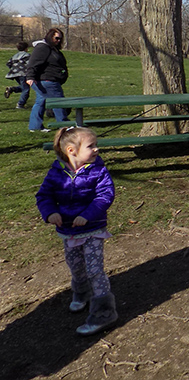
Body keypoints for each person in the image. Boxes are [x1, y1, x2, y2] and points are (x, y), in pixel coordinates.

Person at [35, 126, 118, 336]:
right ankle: (81, 292)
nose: (97, 149)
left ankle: (104, 312)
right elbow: (43, 196)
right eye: (91, 146)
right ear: (72, 150)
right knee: (75, 264)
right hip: (68, 230)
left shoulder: (97, 170)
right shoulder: (56, 173)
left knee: (94, 269)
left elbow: (105, 195)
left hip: (93, 229)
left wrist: (88, 215)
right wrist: (50, 213)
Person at [26, 28, 69, 132]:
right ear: (50, 36)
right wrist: (30, 77)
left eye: (60, 39)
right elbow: (33, 63)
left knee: (40, 102)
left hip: (47, 80)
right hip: (47, 80)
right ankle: (64, 125)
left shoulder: (52, 49)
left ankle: (35, 126)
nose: (58, 41)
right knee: (59, 102)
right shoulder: (42, 48)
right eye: (56, 38)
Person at [5, 41, 30, 108]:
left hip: (14, 74)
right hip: (23, 73)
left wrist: (14, 68)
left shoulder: (15, 56)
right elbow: (30, 64)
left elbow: (8, 63)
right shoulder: (27, 55)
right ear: (26, 48)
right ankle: (20, 104)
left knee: (23, 87)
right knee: (26, 89)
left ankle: (12, 89)